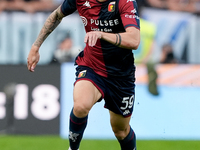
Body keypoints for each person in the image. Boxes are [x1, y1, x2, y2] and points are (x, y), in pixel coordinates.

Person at [27, 0, 140, 150]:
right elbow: (56, 16)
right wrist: (36, 46)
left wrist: (102, 34)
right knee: (80, 106)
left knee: (120, 131)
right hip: (91, 65)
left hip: (121, 75)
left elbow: (134, 40)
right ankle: (73, 148)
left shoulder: (125, 2)